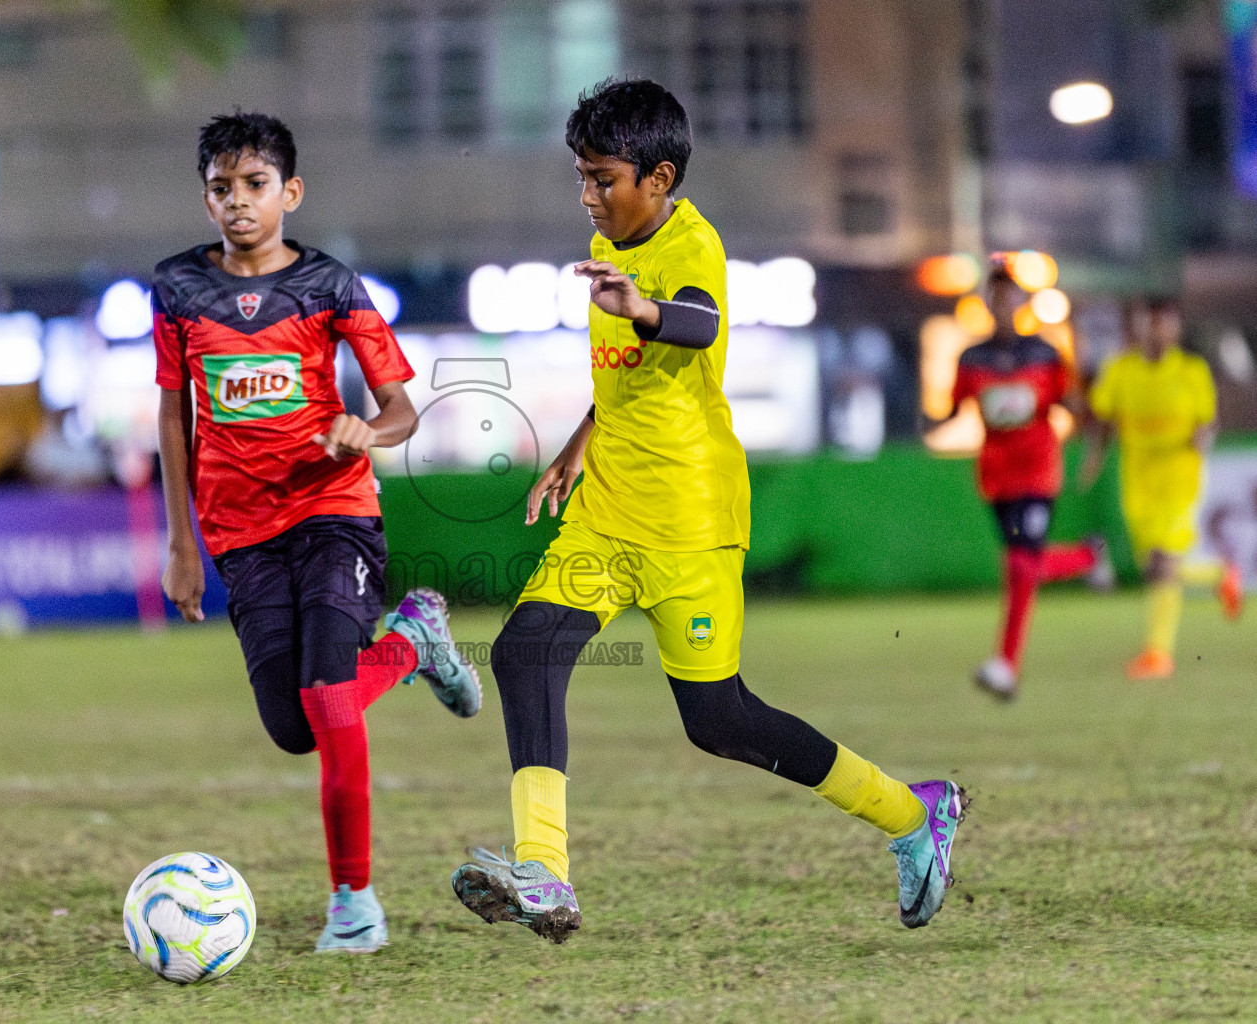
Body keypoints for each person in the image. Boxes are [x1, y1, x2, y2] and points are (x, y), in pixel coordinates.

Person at [449, 79, 965, 945]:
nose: (587, 194)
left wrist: (641, 308)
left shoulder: (692, 246)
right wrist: (582, 438)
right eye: (579, 176)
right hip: (608, 512)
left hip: (690, 522)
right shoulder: (608, 243)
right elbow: (624, 374)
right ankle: (543, 871)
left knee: (719, 720)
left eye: (601, 177)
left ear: (658, 176)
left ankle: (913, 816)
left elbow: (693, 323)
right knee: (522, 652)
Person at [154, 111, 482, 954]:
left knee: (331, 698)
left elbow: (401, 409)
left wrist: (363, 431)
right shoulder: (178, 291)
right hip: (239, 533)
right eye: (221, 189)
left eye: (255, 185)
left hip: (335, 513)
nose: (238, 203)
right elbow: (173, 411)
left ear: (289, 192)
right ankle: (414, 638)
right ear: (205, 199)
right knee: (293, 727)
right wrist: (182, 541)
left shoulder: (332, 287)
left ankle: (354, 904)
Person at [955, 261, 1111, 700]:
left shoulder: (1044, 353)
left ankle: (1005, 664)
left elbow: (1070, 404)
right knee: (1019, 567)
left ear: (1021, 302)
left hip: (1039, 470)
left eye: (1010, 296)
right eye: (996, 296)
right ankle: (1087, 556)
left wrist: (1092, 417)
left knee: (1022, 564)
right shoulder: (972, 358)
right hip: (996, 477)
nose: (1003, 304)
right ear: (986, 302)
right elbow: (951, 407)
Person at [1080, 297, 1242, 680]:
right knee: (1155, 568)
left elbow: (1207, 421)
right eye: (1149, 323)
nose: (1155, 331)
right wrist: (1094, 458)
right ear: (1138, 328)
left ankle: (1158, 655)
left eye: (1163, 324)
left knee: (1161, 563)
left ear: (1175, 329)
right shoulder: (1120, 370)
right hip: (1138, 480)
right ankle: (1220, 577)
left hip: (1178, 477)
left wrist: (1203, 437)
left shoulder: (1191, 370)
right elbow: (1104, 417)